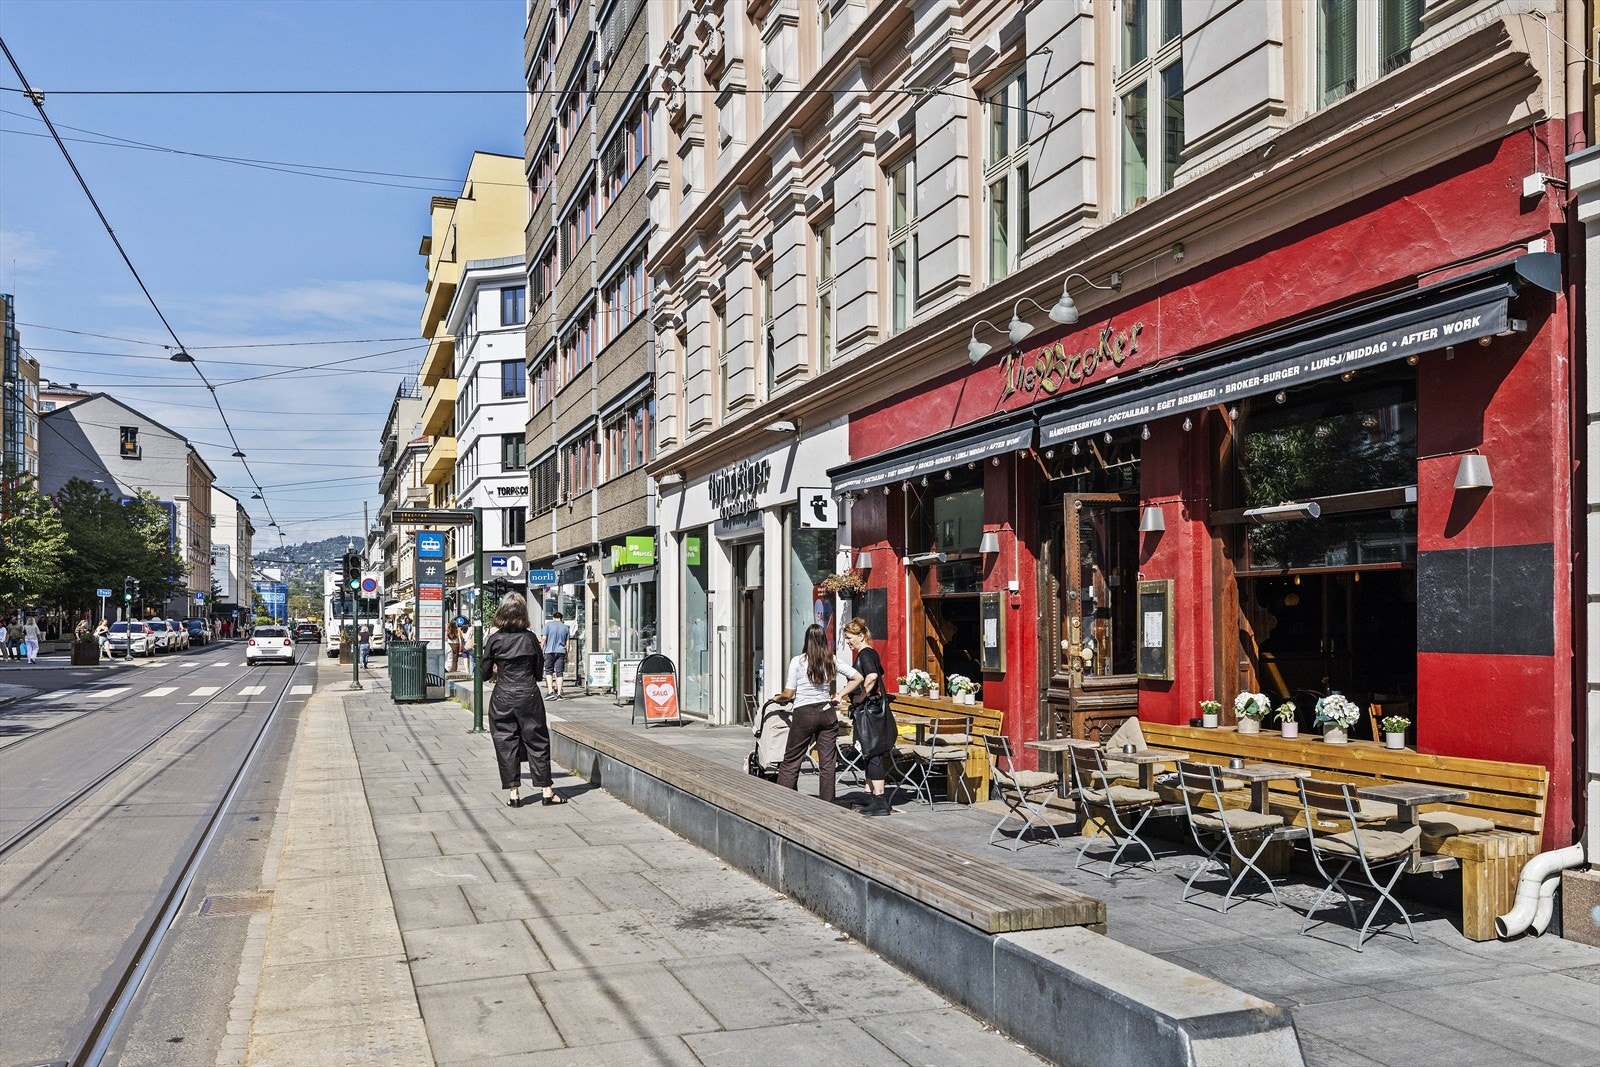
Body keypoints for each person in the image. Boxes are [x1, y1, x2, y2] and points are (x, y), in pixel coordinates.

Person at [481, 592, 565, 808]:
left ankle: (514, 794)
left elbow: (483, 673)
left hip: (502, 696)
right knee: (537, 740)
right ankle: (547, 791)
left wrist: (496, 673)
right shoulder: (529, 638)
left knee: (505, 742)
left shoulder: (494, 639)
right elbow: (539, 673)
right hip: (528, 694)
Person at [772, 623, 862, 804]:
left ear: (807, 640)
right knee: (828, 762)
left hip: (804, 713)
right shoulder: (832, 660)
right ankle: (827, 803)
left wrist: (777, 698)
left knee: (792, 758)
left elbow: (788, 694)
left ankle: (783, 802)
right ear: (824, 641)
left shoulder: (798, 661)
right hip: (827, 712)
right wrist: (840, 694)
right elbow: (857, 677)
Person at [843, 617, 891, 816]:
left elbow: (872, 676)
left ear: (861, 636)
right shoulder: (868, 653)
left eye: (849, 637)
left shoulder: (865, 654)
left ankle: (880, 799)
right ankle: (869, 794)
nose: (847, 641)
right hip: (870, 711)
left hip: (869, 711)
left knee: (872, 753)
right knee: (867, 752)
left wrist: (861, 696)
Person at [541, 611, 571, 700]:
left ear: (553, 617)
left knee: (549, 671)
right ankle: (559, 694)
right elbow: (568, 643)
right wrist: (567, 654)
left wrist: (541, 649)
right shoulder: (565, 628)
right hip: (561, 651)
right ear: (561, 618)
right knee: (559, 673)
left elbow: (543, 638)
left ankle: (550, 692)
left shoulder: (548, 625)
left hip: (549, 651)